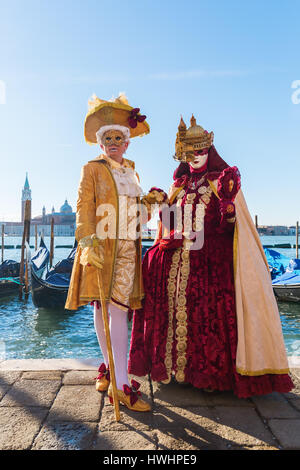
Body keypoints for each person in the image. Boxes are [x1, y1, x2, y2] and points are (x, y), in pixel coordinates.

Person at [128, 115, 294, 398]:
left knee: (205, 315)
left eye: (200, 151)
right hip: (179, 258)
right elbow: (169, 223)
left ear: (209, 150)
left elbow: (232, 227)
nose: (195, 157)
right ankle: (176, 370)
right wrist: (162, 209)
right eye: (190, 152)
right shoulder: (178, 185)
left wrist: (228, 208)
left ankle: (207, 374)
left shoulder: (222, 181)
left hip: (211, 262)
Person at [65, 93, 164, 411]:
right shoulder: (91, 169)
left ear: (126, 142)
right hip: (99, 247)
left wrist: (150, 203)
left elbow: (138, 219)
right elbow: (84, 209)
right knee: (100, 308)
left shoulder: (131, 171)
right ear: (100, 142)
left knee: (118, 311)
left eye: (118, 137)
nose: (112, 142)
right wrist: (87, 242)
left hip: (126, 251)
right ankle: (118, 382)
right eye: (107, 137)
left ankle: (114, 376)